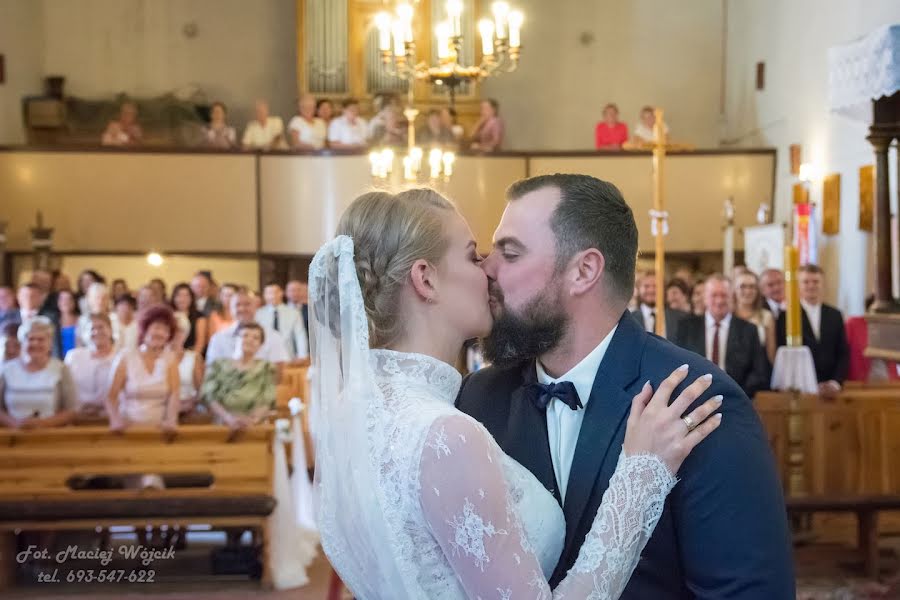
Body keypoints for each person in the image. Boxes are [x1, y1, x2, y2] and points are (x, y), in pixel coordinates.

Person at [310, 187, 727, 599]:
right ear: (425, 279)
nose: (489, 270)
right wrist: (642, 476)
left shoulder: (350, 417)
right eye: (474, 256)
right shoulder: (442, 434)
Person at [457, 174, 794, 596]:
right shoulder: (479, 398)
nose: (486, 269)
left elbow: (747, 590)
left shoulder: (693, 401)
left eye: (510, 252)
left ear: (584, 270)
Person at [674, 274, 770, 398]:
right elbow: (678, 364)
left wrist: (736, 394)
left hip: (736, 399)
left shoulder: (748, 330)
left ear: (732, 297)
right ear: (705, 298)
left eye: (724, 295)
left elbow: (759, 372)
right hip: (694, 399)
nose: (719, 301)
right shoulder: (686, 327)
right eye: (714, 295)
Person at [775, 264, 850, 398]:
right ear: (799, 285)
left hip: (830, 389)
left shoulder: (835, 314)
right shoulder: (787, 315)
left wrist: (835, 382)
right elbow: (782, 351)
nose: (811, 286)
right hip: (800, 388)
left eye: (816, 281)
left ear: (823, 284)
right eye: (806, 282)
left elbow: (842, 351)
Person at [106, 305, 180, 432]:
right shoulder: (126, 357)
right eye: (157, 328)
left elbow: (174, 395)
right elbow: (110, 396)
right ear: (145, 329)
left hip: (160, 430)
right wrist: (115, 420)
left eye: (166, 330)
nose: (160, 333)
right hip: (128, 429)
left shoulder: (170, 359)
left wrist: (171, 421)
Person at [0, 317, 77, 429]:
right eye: (31, 339)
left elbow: (71, 410)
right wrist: (14, 423)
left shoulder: (61, 369)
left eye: (41, 339)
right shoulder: (6, 369)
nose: (35, 343)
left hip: (50, 435)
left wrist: (42, 424)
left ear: (50, 343)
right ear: (22, 342)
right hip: (12, 437)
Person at [202, 322, 276, 430]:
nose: (250, 340)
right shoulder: (217, 365)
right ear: (235, 339)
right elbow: (209, 396)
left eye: (256, 338)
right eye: (245, 335)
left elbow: (268, 399)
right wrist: (229, 418)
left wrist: (252, 420)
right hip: (222, 425)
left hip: (254, 426)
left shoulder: (266, 368)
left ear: (260, 345)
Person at [206, 291, 290, 365]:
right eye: (237, 305)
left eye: (247, 304)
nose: (242, 309)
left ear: (256, 307)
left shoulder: (273, 336)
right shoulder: (218, 338)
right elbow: (212, 368)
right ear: (231, 309)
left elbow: (279, 370)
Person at [65, 313, 117, 419]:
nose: (97, 332)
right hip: (77, 416)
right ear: (84, 334)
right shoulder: (73, 356)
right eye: (92, 328)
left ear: (110, 330)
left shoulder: (121, 357)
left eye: (101, 327)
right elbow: (65, 389)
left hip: (113, 416)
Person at [254, 283, 308, 361]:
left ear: (281, 293)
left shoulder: (294, 312)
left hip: (287, 355)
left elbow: (300, 335)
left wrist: (302, 355)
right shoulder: (258, 313)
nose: (272, 296)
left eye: (275, 292)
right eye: (269, 293)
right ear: (264, 295)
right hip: (264, 355)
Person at [734, 270, 777, 363]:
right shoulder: (727, 314)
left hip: (759, 372)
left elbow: (771, 355)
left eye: (752, 287)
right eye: (743, 286)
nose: (748, 291)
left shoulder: (766, 316)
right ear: (734, 289)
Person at [630, 270, 686, 340]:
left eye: (655, 286)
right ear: (638, 289)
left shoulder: (680, 318)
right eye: (646, 286)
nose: (651, 290)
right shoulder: (629, 319)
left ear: (664, 289)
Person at [171, 312, 204, 415]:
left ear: (186, 333)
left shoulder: (194, 357)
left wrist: (187, 404)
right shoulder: (158, 358)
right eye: (173, 330)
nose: (176, 334)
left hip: (189, 409)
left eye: (180, 330)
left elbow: (201, 391)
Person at [75, 283, 118, 348]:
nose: (100, 301)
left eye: (104, 298)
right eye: (97, 298)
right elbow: (79, 343)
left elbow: (118, 340)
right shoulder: (83, 320)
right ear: (89, 299)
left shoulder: (114, 318)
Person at [170, 283, 208, 355]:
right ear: (174, 297)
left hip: (191, 353)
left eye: (186, 296)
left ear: (191, 298)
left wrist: (191, 359)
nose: (182, 299)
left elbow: (200, 343)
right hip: (170, 354)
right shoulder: (168, 315)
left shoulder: (199, 316)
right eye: (179, 295)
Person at [55, 289, 80, 358]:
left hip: (77, 358)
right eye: (62, 299)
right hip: (59, 360)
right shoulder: (53, 322)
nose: (66, 302)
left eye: (69, 299)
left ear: (74, 302)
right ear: (58, 302)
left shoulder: (82, 320)